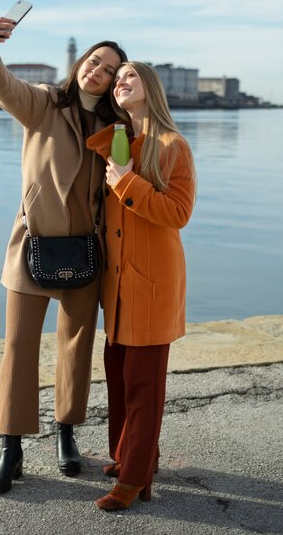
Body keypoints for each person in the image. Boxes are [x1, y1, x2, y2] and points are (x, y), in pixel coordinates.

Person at [0, 13, 127, 494]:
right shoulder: (43, 103)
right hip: (34, 245)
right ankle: (11, 447)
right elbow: (4, 86)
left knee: (76, 347)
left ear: (111, 83)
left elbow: (128, 175)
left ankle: (66, 434)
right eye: (94, 61)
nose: (96, 71)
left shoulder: (114, 124)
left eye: (107, 69)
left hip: (86, 250)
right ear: (81, 62)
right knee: (18, 348)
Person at [87, 61, 196, 511]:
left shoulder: (173, 146)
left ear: (150, 87)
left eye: (129, 76)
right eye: (117, 80)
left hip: (152, 284)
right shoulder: (117, 143)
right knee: (119, 377)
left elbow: (179, 214)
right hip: (118, 286)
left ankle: (133, 480)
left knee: (143, 386)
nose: (119, 83)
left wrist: (127, 180)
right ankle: (130, 458)